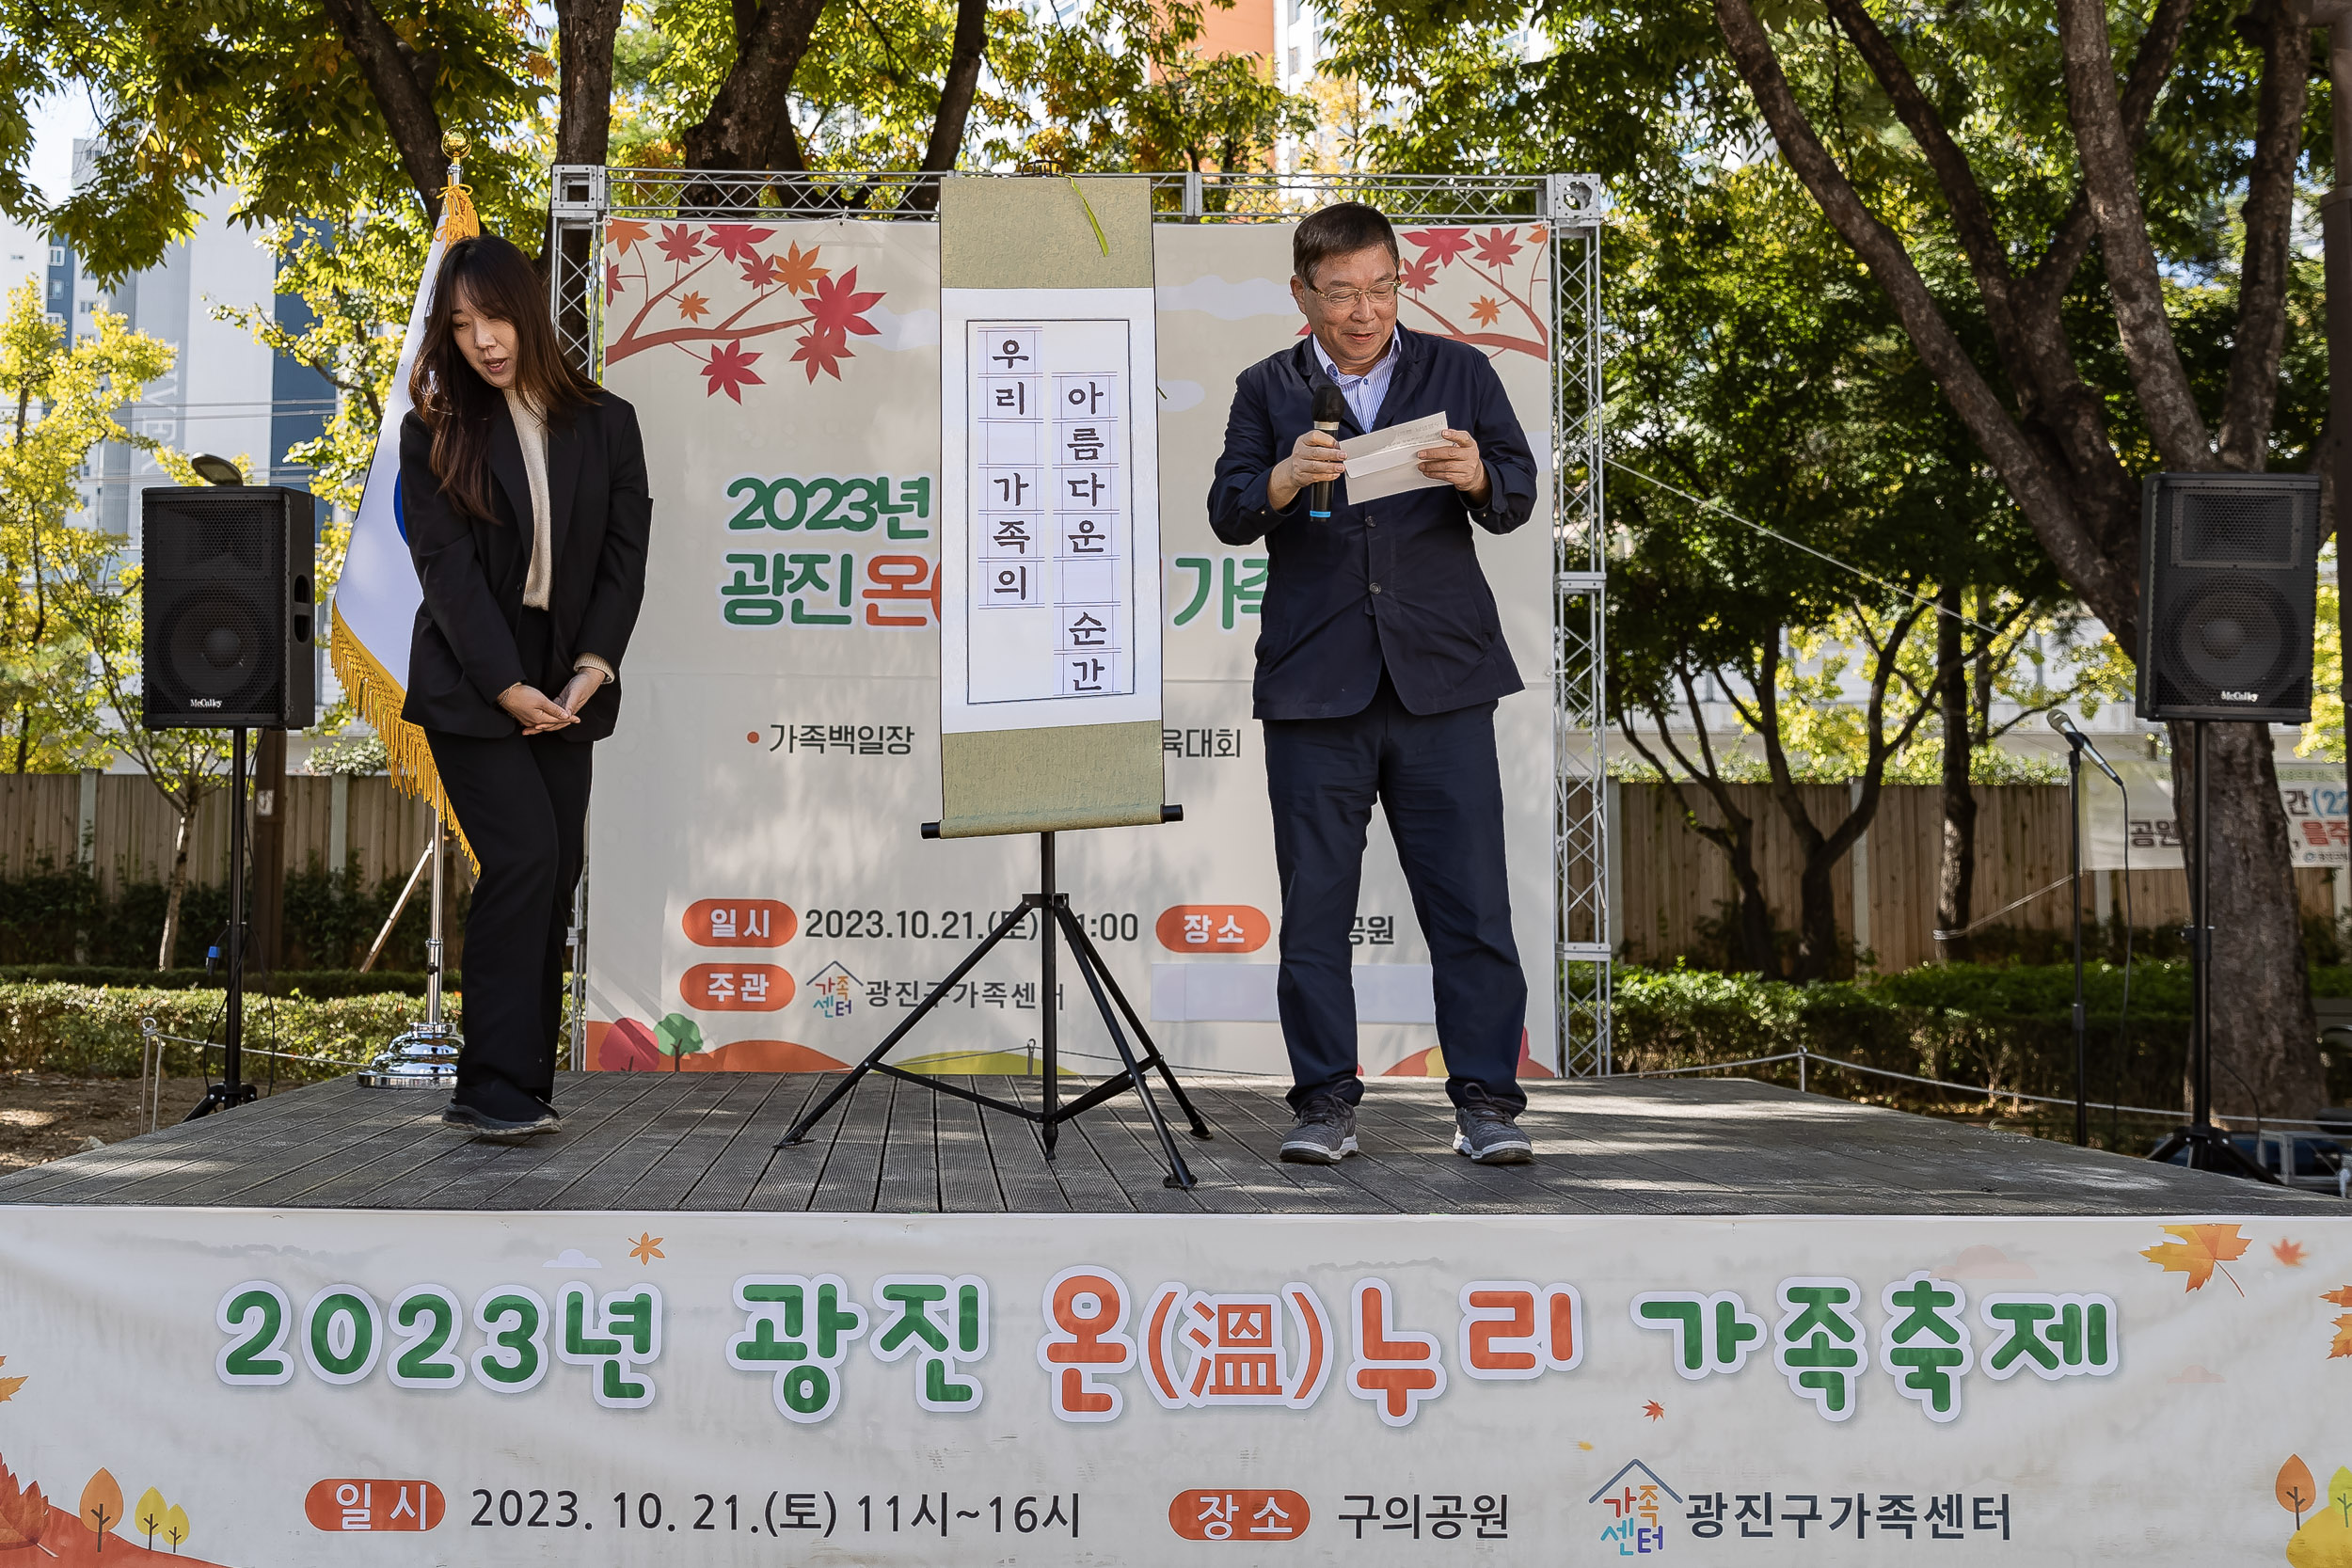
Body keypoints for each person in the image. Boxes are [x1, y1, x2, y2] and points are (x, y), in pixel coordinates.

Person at [1207, 201, 1537, 1166]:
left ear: (1400, 281)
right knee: (1315, 909)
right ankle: (1322, 1105)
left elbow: (1514, 495)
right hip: (1316, 686)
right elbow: (1229, 508)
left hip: (1442, 678)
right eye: (1343, 292)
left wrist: (1479, 474)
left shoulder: (1460, 372)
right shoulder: (1266, 387)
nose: (1365, 309)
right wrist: (1276, 481)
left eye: (1382, 287)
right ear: (1303, 292)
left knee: (1471, 904)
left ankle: (1487, 1104)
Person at [401, 233, 651, 1141]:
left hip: (568, 677)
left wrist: (591, 668)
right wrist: (505, 684)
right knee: (522, 858)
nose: (483, 341)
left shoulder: (607, 421)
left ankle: (522, 1083)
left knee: (556, 875)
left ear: (532, 311)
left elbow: (625, 558)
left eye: (496, 316)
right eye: (461, 325)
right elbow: (446, 573)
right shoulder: (435, 426)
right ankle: (490, 1086)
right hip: (474, 679)